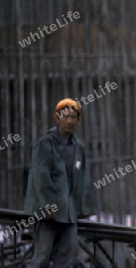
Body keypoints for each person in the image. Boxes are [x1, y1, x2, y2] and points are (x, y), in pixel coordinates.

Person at [24, 98, 95, 267]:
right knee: (42, 257)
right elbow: (41, 176)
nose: (69, 121)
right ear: (57, 118)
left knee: (68, 257)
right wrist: (48, 205)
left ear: (78, 120)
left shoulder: (79, 147)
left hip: (69, 213)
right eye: (65, 117)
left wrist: (83, 208)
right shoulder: (45, 144)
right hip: (48, 213)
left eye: (73, 117)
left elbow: (82, 179)